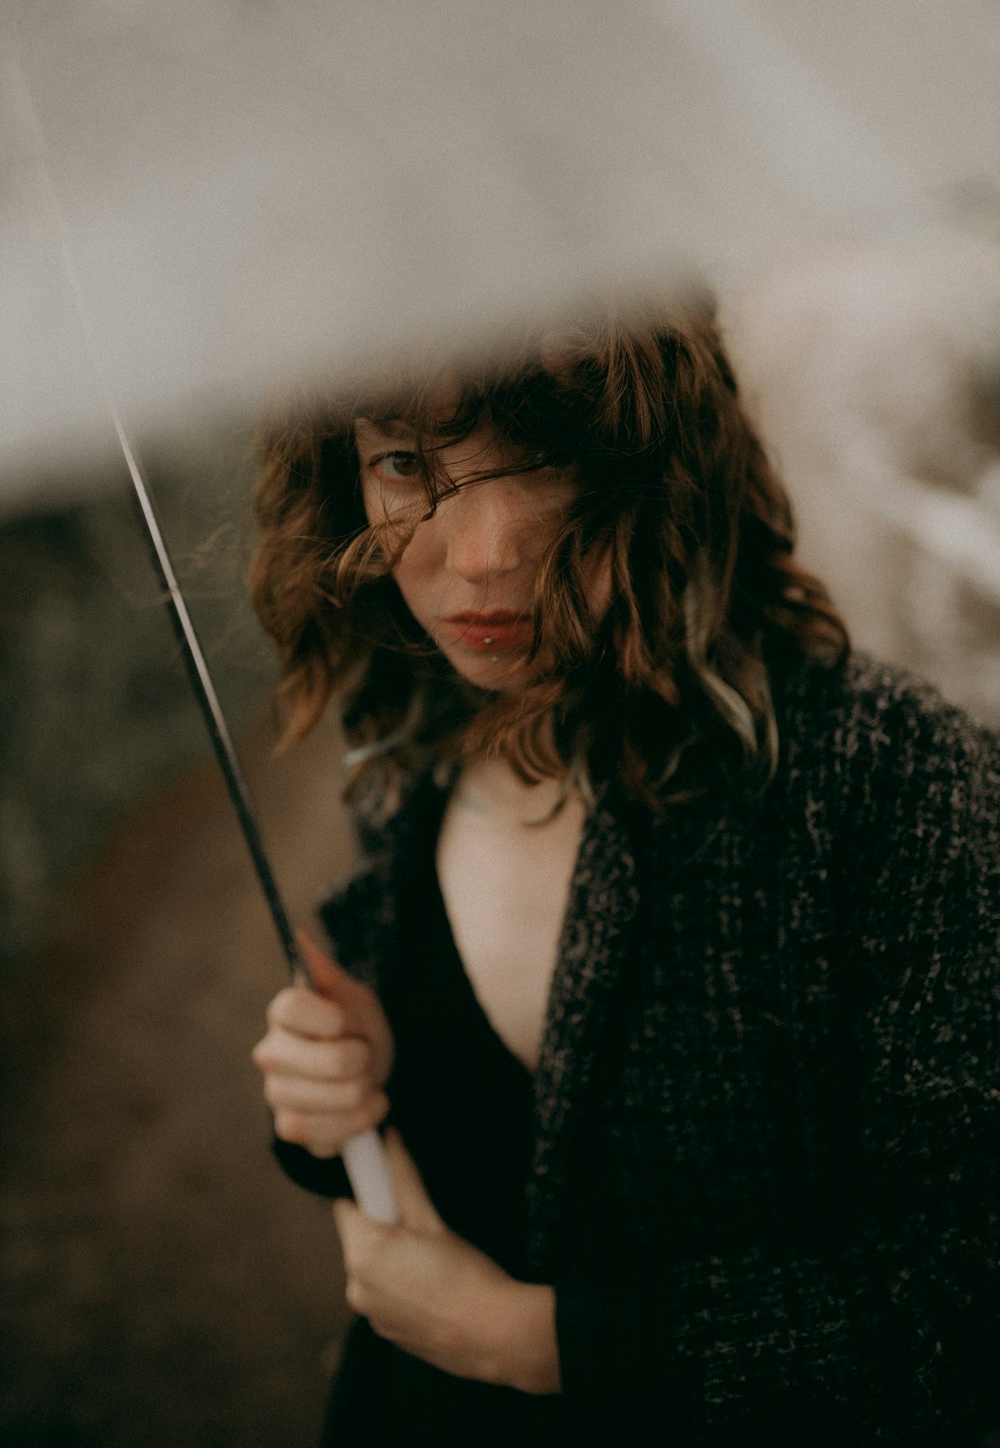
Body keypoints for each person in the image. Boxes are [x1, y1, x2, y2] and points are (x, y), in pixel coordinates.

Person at [248, 293, 999, 1447]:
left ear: (662, 460)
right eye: (406, 463)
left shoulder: (891, 784)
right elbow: (482, 1159)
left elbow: (964, 1293)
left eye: (545, 459)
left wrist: (537, 1343)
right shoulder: (409, 754)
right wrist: (352, 1098)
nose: (484, 553)